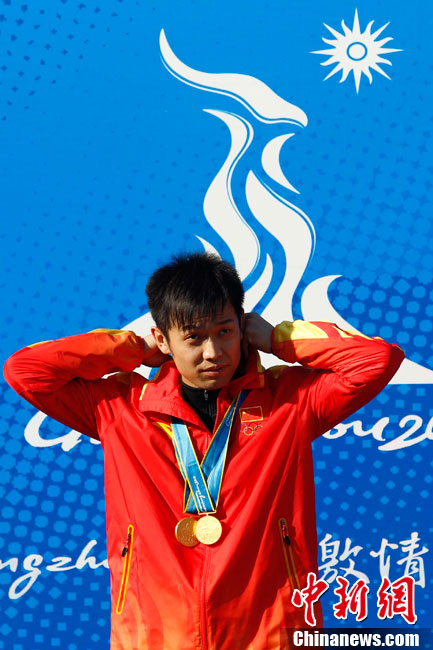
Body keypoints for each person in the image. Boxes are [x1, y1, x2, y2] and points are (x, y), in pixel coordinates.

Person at [3, 252, 404, 650]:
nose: (213, 352)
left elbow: (376, 360)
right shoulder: (120, 408)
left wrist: (278, 339)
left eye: (224, 332)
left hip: (272, 632)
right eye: (193, 337)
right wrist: (134, 348)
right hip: (155, 635)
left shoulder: (289, 401)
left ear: (242, 327)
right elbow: (26, 371)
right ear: (164, 339)